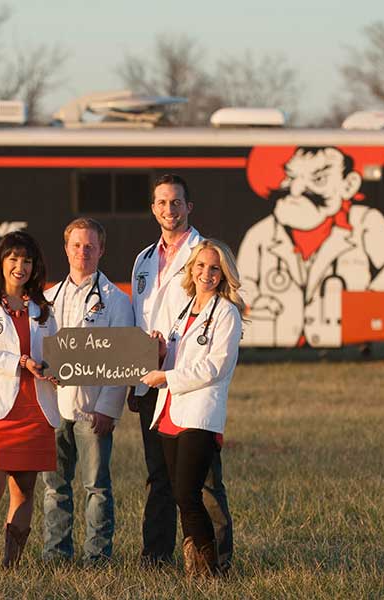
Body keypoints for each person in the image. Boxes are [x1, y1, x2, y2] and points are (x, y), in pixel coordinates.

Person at [129, 174, 233, 570]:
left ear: (189, 207)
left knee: (202, 480)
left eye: (176, 203)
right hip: (149, 377)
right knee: (159, 475)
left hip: (188, 384)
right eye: (161, 203)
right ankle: (155, 556)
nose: (168, 210)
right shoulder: (143, 260)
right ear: (153, 208)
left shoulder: (203, 254)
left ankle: (216, 558)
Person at [139, 239, 245, 579]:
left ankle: (211, 570)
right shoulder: (184, 310)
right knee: (180, 493)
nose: (206, 273)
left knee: (188, 493)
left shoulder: (226, 313)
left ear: (223, 273)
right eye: (201, 266)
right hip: (170, 412)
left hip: (199, 414)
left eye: (214, 268)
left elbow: (214, 367)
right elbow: (176, 358)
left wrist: (165, 374)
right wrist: (159, 355)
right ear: (192, 270)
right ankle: (194, 569)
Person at [237, 145, 384, 347]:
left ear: (348, 184)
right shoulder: (260, 234)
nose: (297, 190)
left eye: (318, 179)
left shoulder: (365, 223)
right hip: (275, 330)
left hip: (340, 332)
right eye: (291, 178)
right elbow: (242, 281)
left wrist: (363, 307)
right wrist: (256, 302)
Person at [0, 230, 60, 569]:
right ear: (1, 262)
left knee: (25, 489)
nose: (20, 266)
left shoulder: (44, 310)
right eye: (14, 259)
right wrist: (19, 362)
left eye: (28, 260)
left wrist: (57, 370)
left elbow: (56, 354)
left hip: (36, 409)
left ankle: (11, 567)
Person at [40, 218, 133, 564]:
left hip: (94, 407)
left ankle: (97, 557)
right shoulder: (47, 299)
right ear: (66, 248)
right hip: (54, 408)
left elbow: (122, 359)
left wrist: (109, 408)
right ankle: (56, 553)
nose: (83, 252)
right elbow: (41, 351)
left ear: (102, 250)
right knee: (55, 486)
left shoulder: (116, 301)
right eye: (77, 245)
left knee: (97, 487)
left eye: (90, 246)